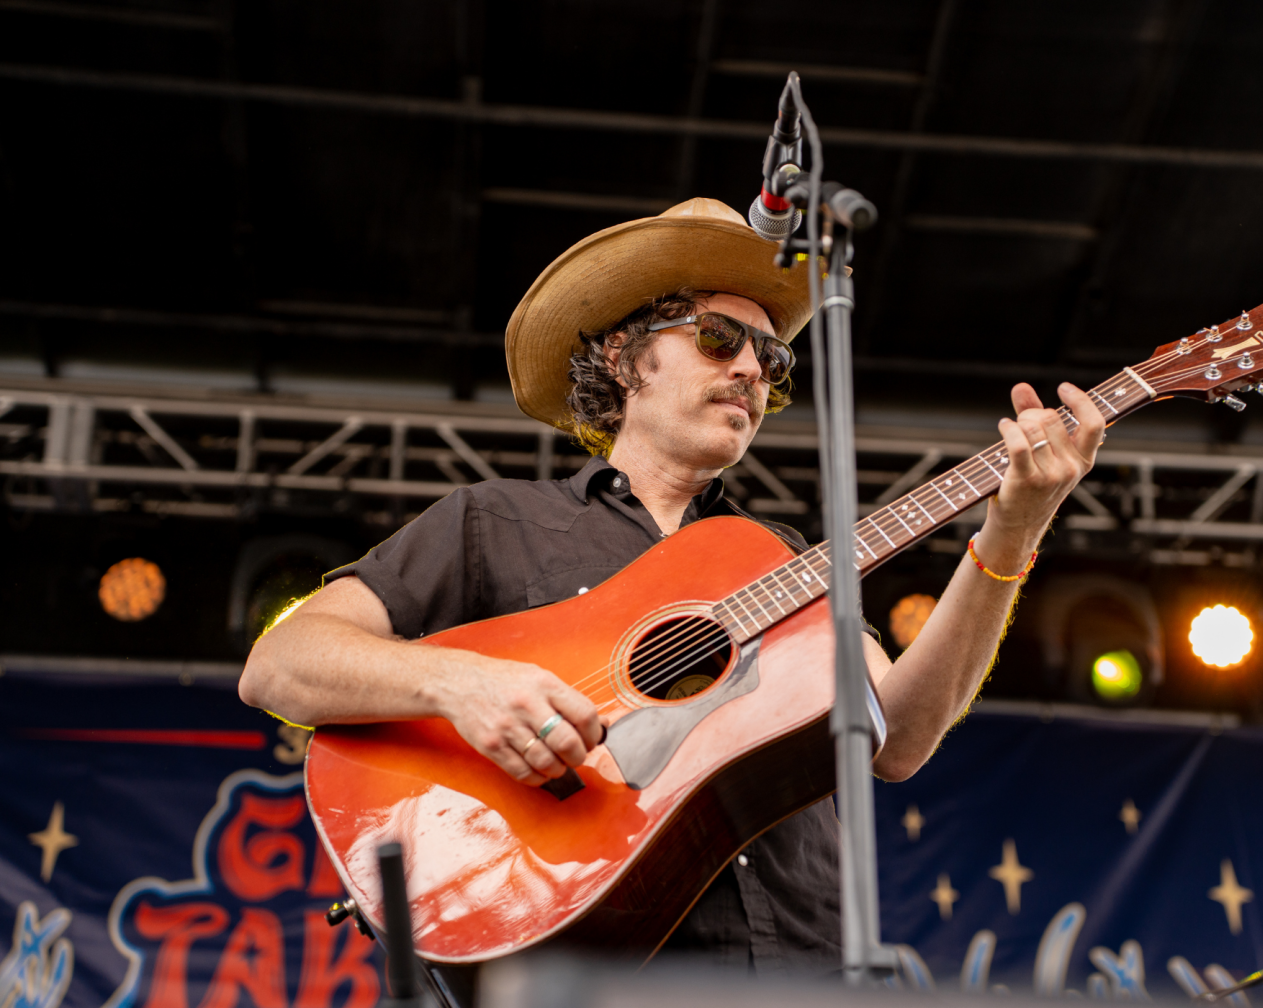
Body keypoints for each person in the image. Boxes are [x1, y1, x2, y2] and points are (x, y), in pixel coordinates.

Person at [239, 198, 1105, 975]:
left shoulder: (777, 555)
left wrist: (1015, 527)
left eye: (772, 359)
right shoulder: (490, 520)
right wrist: (465, 683)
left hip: (794, 963)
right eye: (720, 339)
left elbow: (900, 736)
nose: (754, 373)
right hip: (579, 964)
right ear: (623, 358)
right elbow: (281, 665)